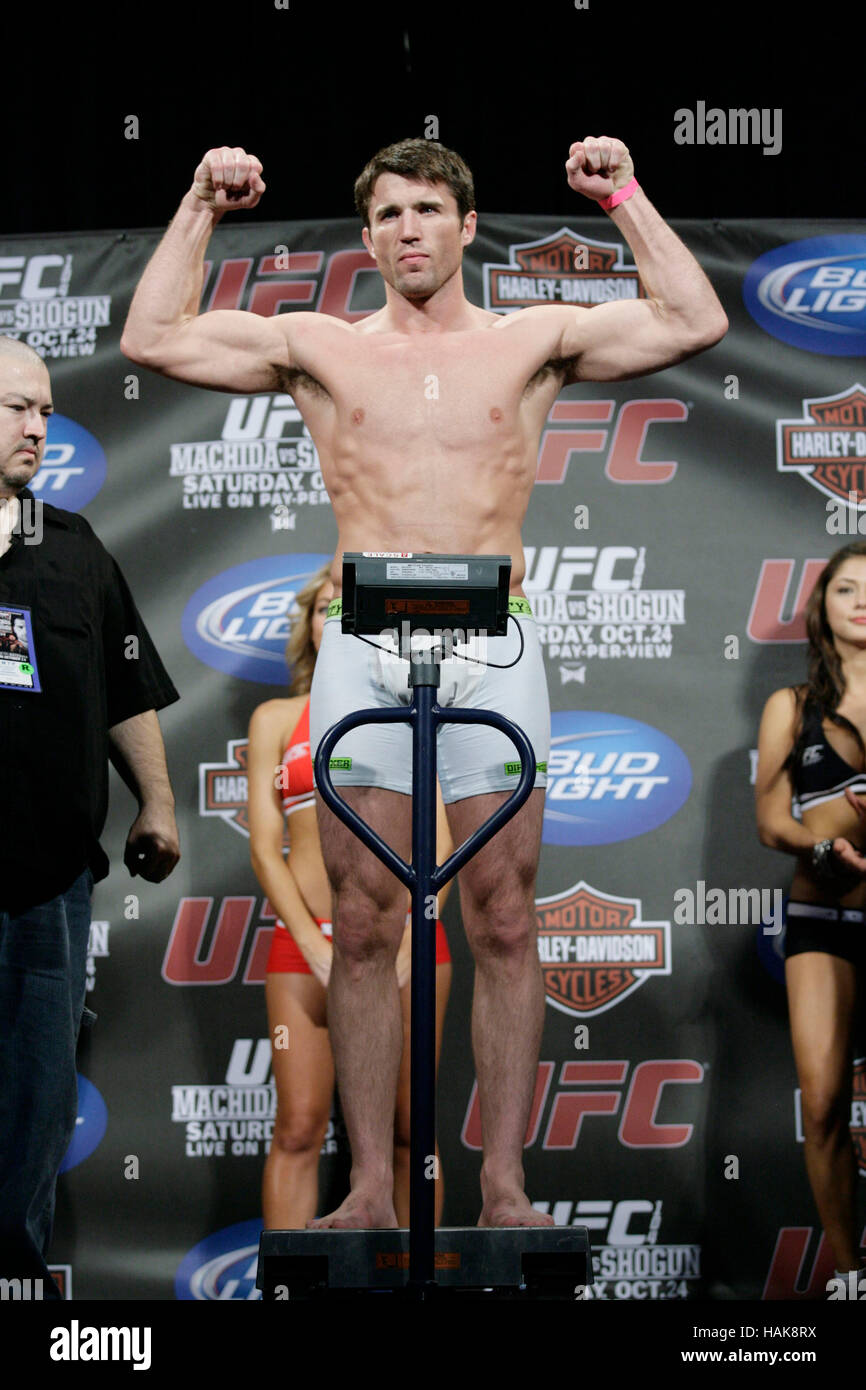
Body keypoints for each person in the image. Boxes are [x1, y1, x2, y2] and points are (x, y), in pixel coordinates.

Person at [121, 134, 727, 1228]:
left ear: (464, 225)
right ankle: (365, 1189)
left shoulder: (531, 340)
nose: (407, 230)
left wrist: (621, 194)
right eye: (388, 215)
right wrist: (200, 203)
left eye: (425, 211)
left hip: (493, 641)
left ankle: (500, 1183)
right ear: (366, 237)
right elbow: (149, 334)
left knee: (502, 912)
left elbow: (692, 320)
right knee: (361, 915)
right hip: (361, 636)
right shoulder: (320, 345)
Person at [0, 335, 181, 1295]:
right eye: (17, 408)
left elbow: (124, 686)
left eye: (44, 409)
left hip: (48, 882)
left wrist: (155, 800)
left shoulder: (71, 546)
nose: (39, 427)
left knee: (32, 1104)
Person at [248, 564, 452, 1227]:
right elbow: (264, 845)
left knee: (408, 1133)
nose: (332, 616)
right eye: (321, 607)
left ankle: (410, 1289)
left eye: (346, 607)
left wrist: (419, 937)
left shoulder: (411, 709)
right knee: (299, 1128)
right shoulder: (276, 720)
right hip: (305, 946)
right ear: (307, 626)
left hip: (404, 944)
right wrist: (309, 942)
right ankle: (281, 1290)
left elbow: (444, 843)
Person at [756, 541, 866, 1286]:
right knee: (823, 1103)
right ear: (822, 608)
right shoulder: (791, 707)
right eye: (847, 588)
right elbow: (767, 818)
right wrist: (820, 847)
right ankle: (853, 1271)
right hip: (820, 920)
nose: (861, 600)